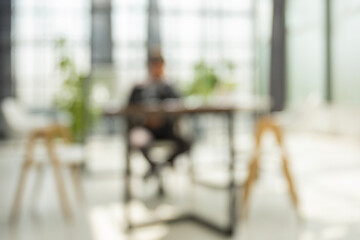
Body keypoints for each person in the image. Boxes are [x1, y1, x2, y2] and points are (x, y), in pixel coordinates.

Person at [127, 52, 191, 179]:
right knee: (139, 140)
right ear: (148, 67)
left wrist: (164, 118)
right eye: (154, 65)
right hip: (145, 129)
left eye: (159, 66)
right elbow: (129, 110)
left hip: (166, 129)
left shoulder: (169, 87)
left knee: (187, 142)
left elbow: (179, 107)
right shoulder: (139, 88)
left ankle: (159, 167)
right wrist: (145, 118)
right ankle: (154, 166)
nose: (157, 69)